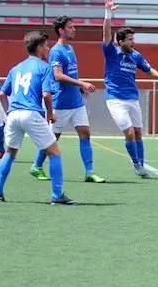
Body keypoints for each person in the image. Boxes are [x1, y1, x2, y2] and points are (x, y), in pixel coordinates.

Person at [0, 31, 77, 205]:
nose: (48, 48)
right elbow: (47, 95)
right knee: (55, 152)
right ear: (40, 47)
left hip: (14, 115)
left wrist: (8, 113)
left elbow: (2, 94)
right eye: (46, 45)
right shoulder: (44, 67)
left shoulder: (16, 68)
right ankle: (57, 196)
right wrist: (50, 113)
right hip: (31, 113)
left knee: (10, 153)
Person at [102, 0, 158, 178]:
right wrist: (108, 13)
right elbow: (106, 35)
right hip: (116, 100)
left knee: (139, 133)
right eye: (130, 40)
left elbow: (149, 69)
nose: (133, 42)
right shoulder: (111, 53)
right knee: (130, 133)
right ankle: (135, 163)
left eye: (133, 39)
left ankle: (141, 165)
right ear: (120, 41)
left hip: (132, 99)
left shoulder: (136, 55)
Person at [30, 16, 104, 183]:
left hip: (76, 102)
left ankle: (89, 172)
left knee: (85, 133)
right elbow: (57, 75)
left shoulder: (70, 48)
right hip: (61, 104)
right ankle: (36, 165)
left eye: (73, 26)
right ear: (61, 30)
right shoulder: (56, 51)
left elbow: (70, 73)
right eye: (70, 27)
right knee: (51, 138)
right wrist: (82, 83)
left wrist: (78, 87)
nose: (74, 29)